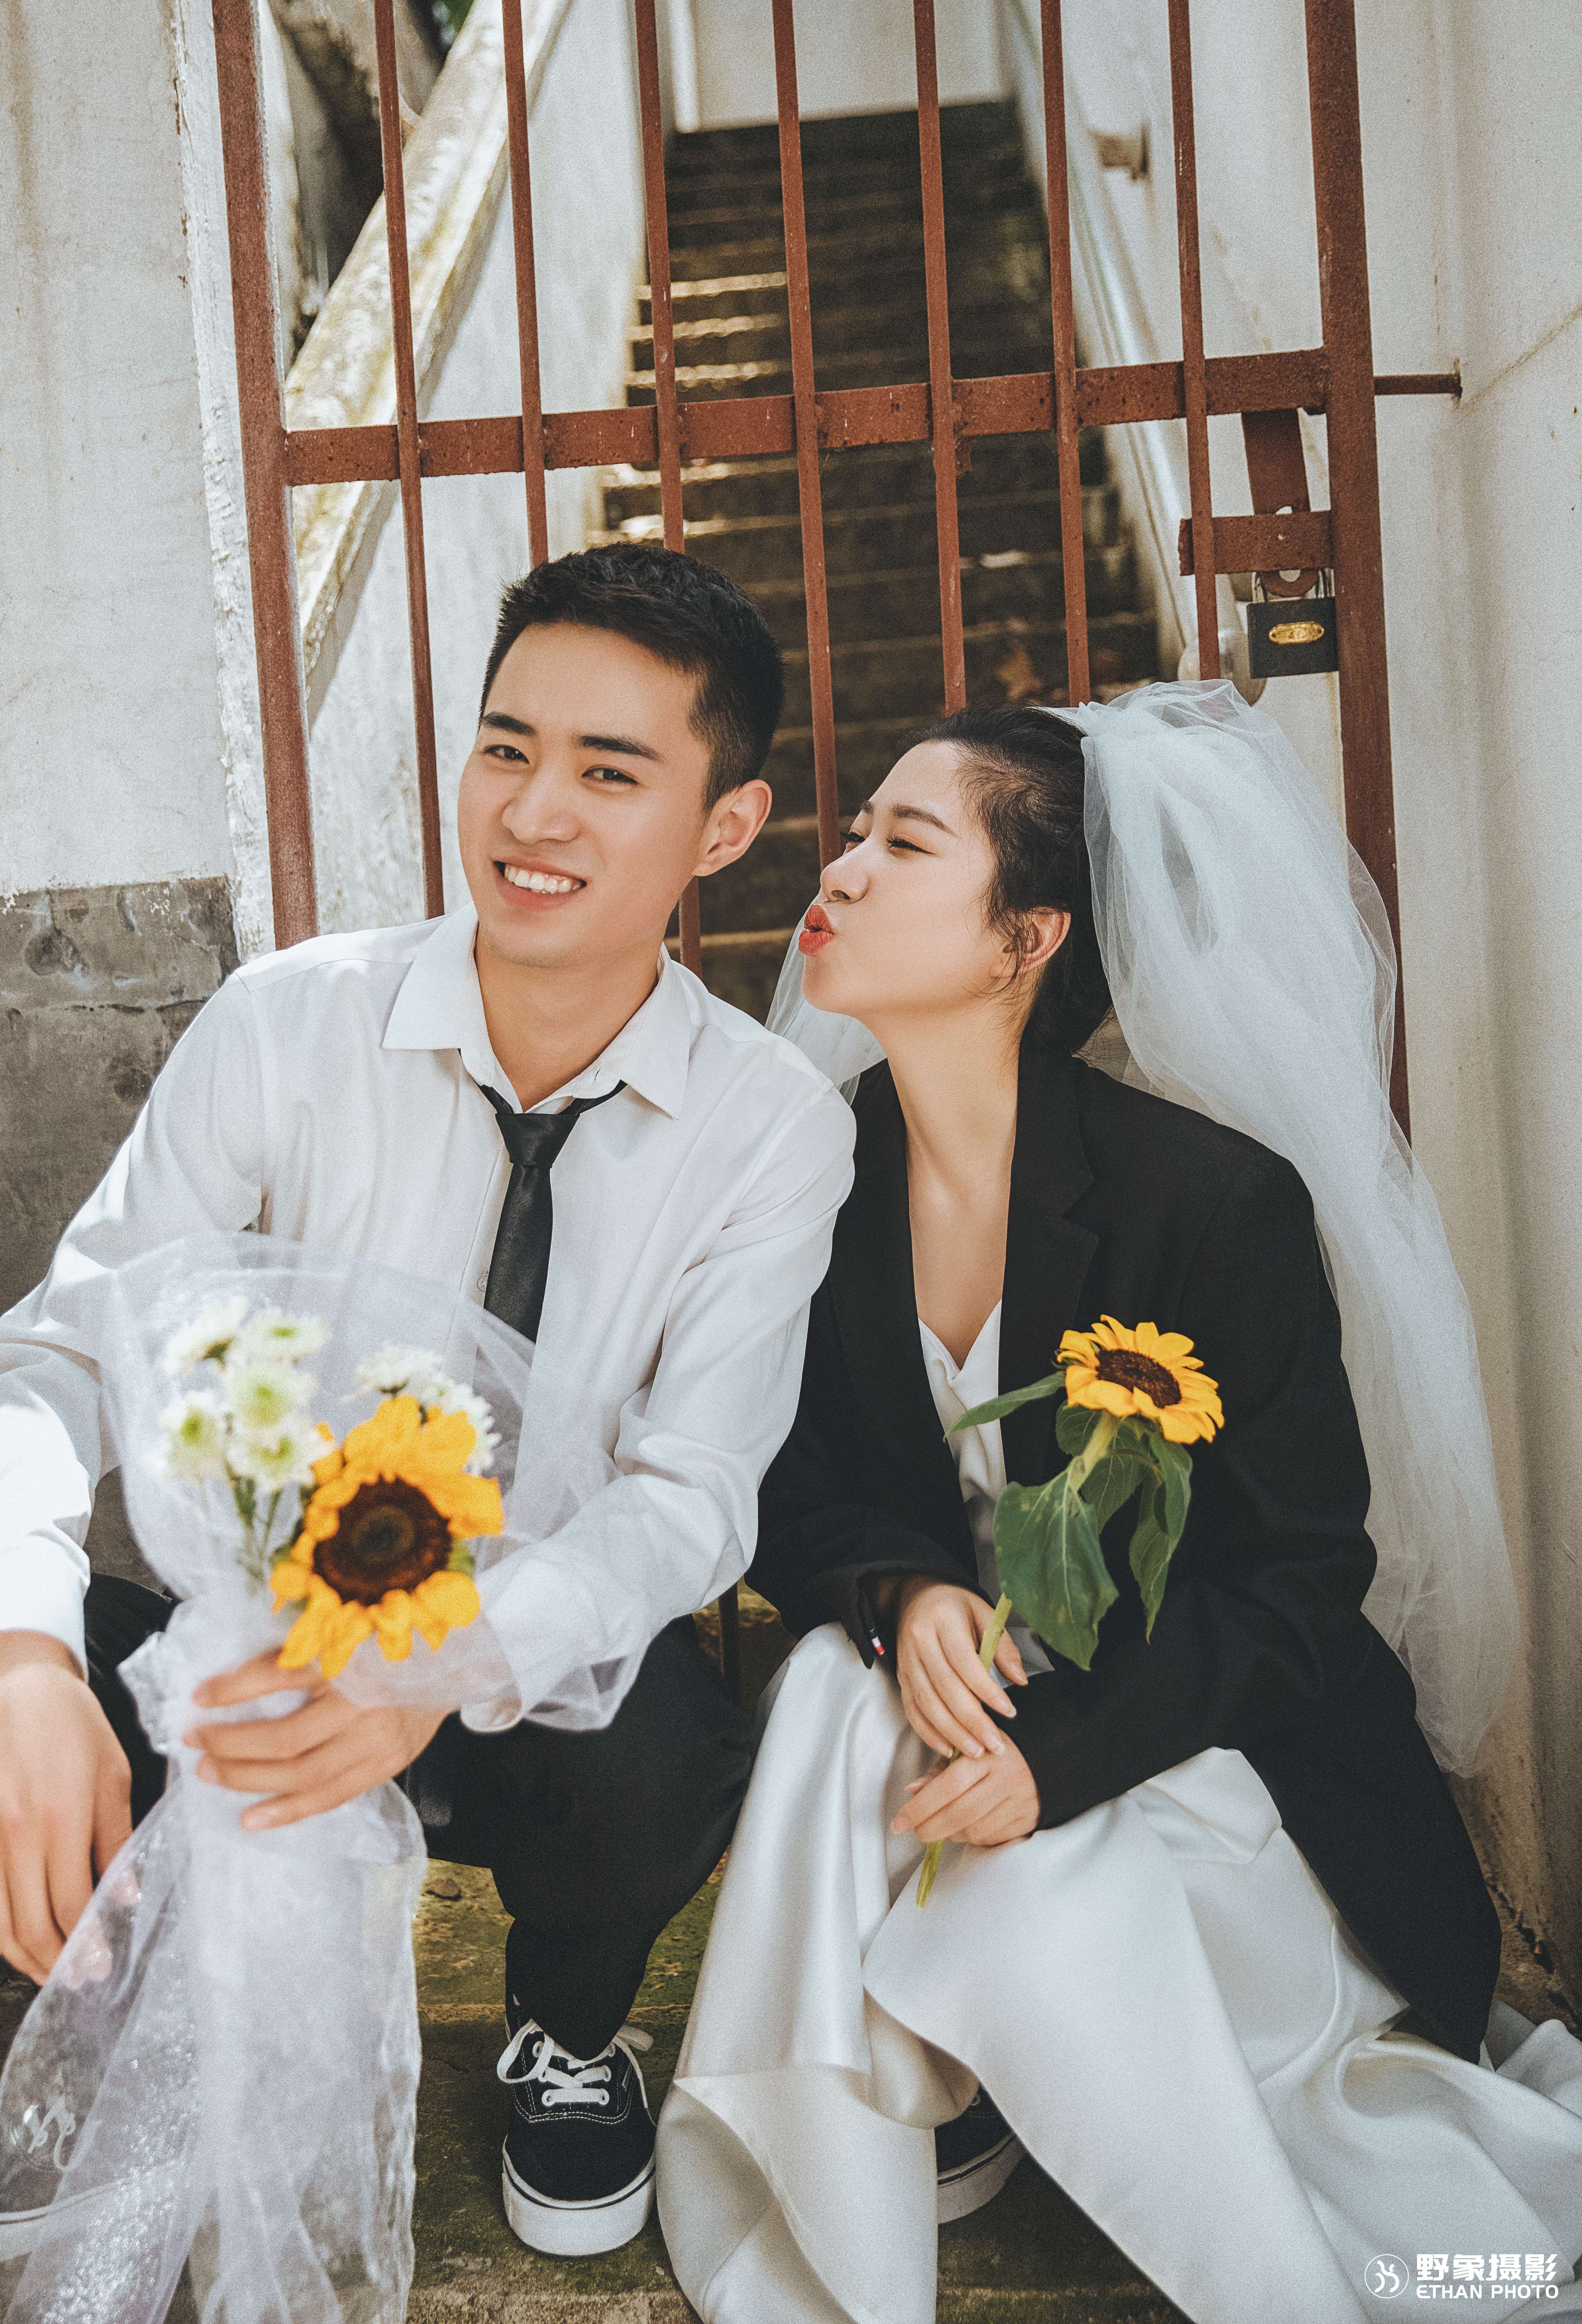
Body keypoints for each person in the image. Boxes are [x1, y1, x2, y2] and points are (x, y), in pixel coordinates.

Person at [0, 543, 856, 2270]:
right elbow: (62, 1353)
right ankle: (128, 2045)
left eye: (609, 773)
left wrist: (437, 1663)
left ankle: (570, 2026)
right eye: (506, 748)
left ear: (725, 828)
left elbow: (694, 1492)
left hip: (521, 1683)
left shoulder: (773, 1125)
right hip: (257, 1668)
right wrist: (15, 1660)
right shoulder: (291, 1023)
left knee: (670, 1748)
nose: (532, 814)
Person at [656, 693, 1582, 2324]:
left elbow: (1301, 1586)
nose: (842, 868)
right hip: (952, 1725)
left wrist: (1060, 1764)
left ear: (1026, 940)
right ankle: (845, 2173)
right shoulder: (808, 1182)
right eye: (856, 830)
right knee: (823, 1687)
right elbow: (787, 1489)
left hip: (1202, 1762)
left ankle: (946, 2079)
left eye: (904, 842)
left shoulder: (1211, 1204)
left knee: (1020, 1879)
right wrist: (902, 1593)